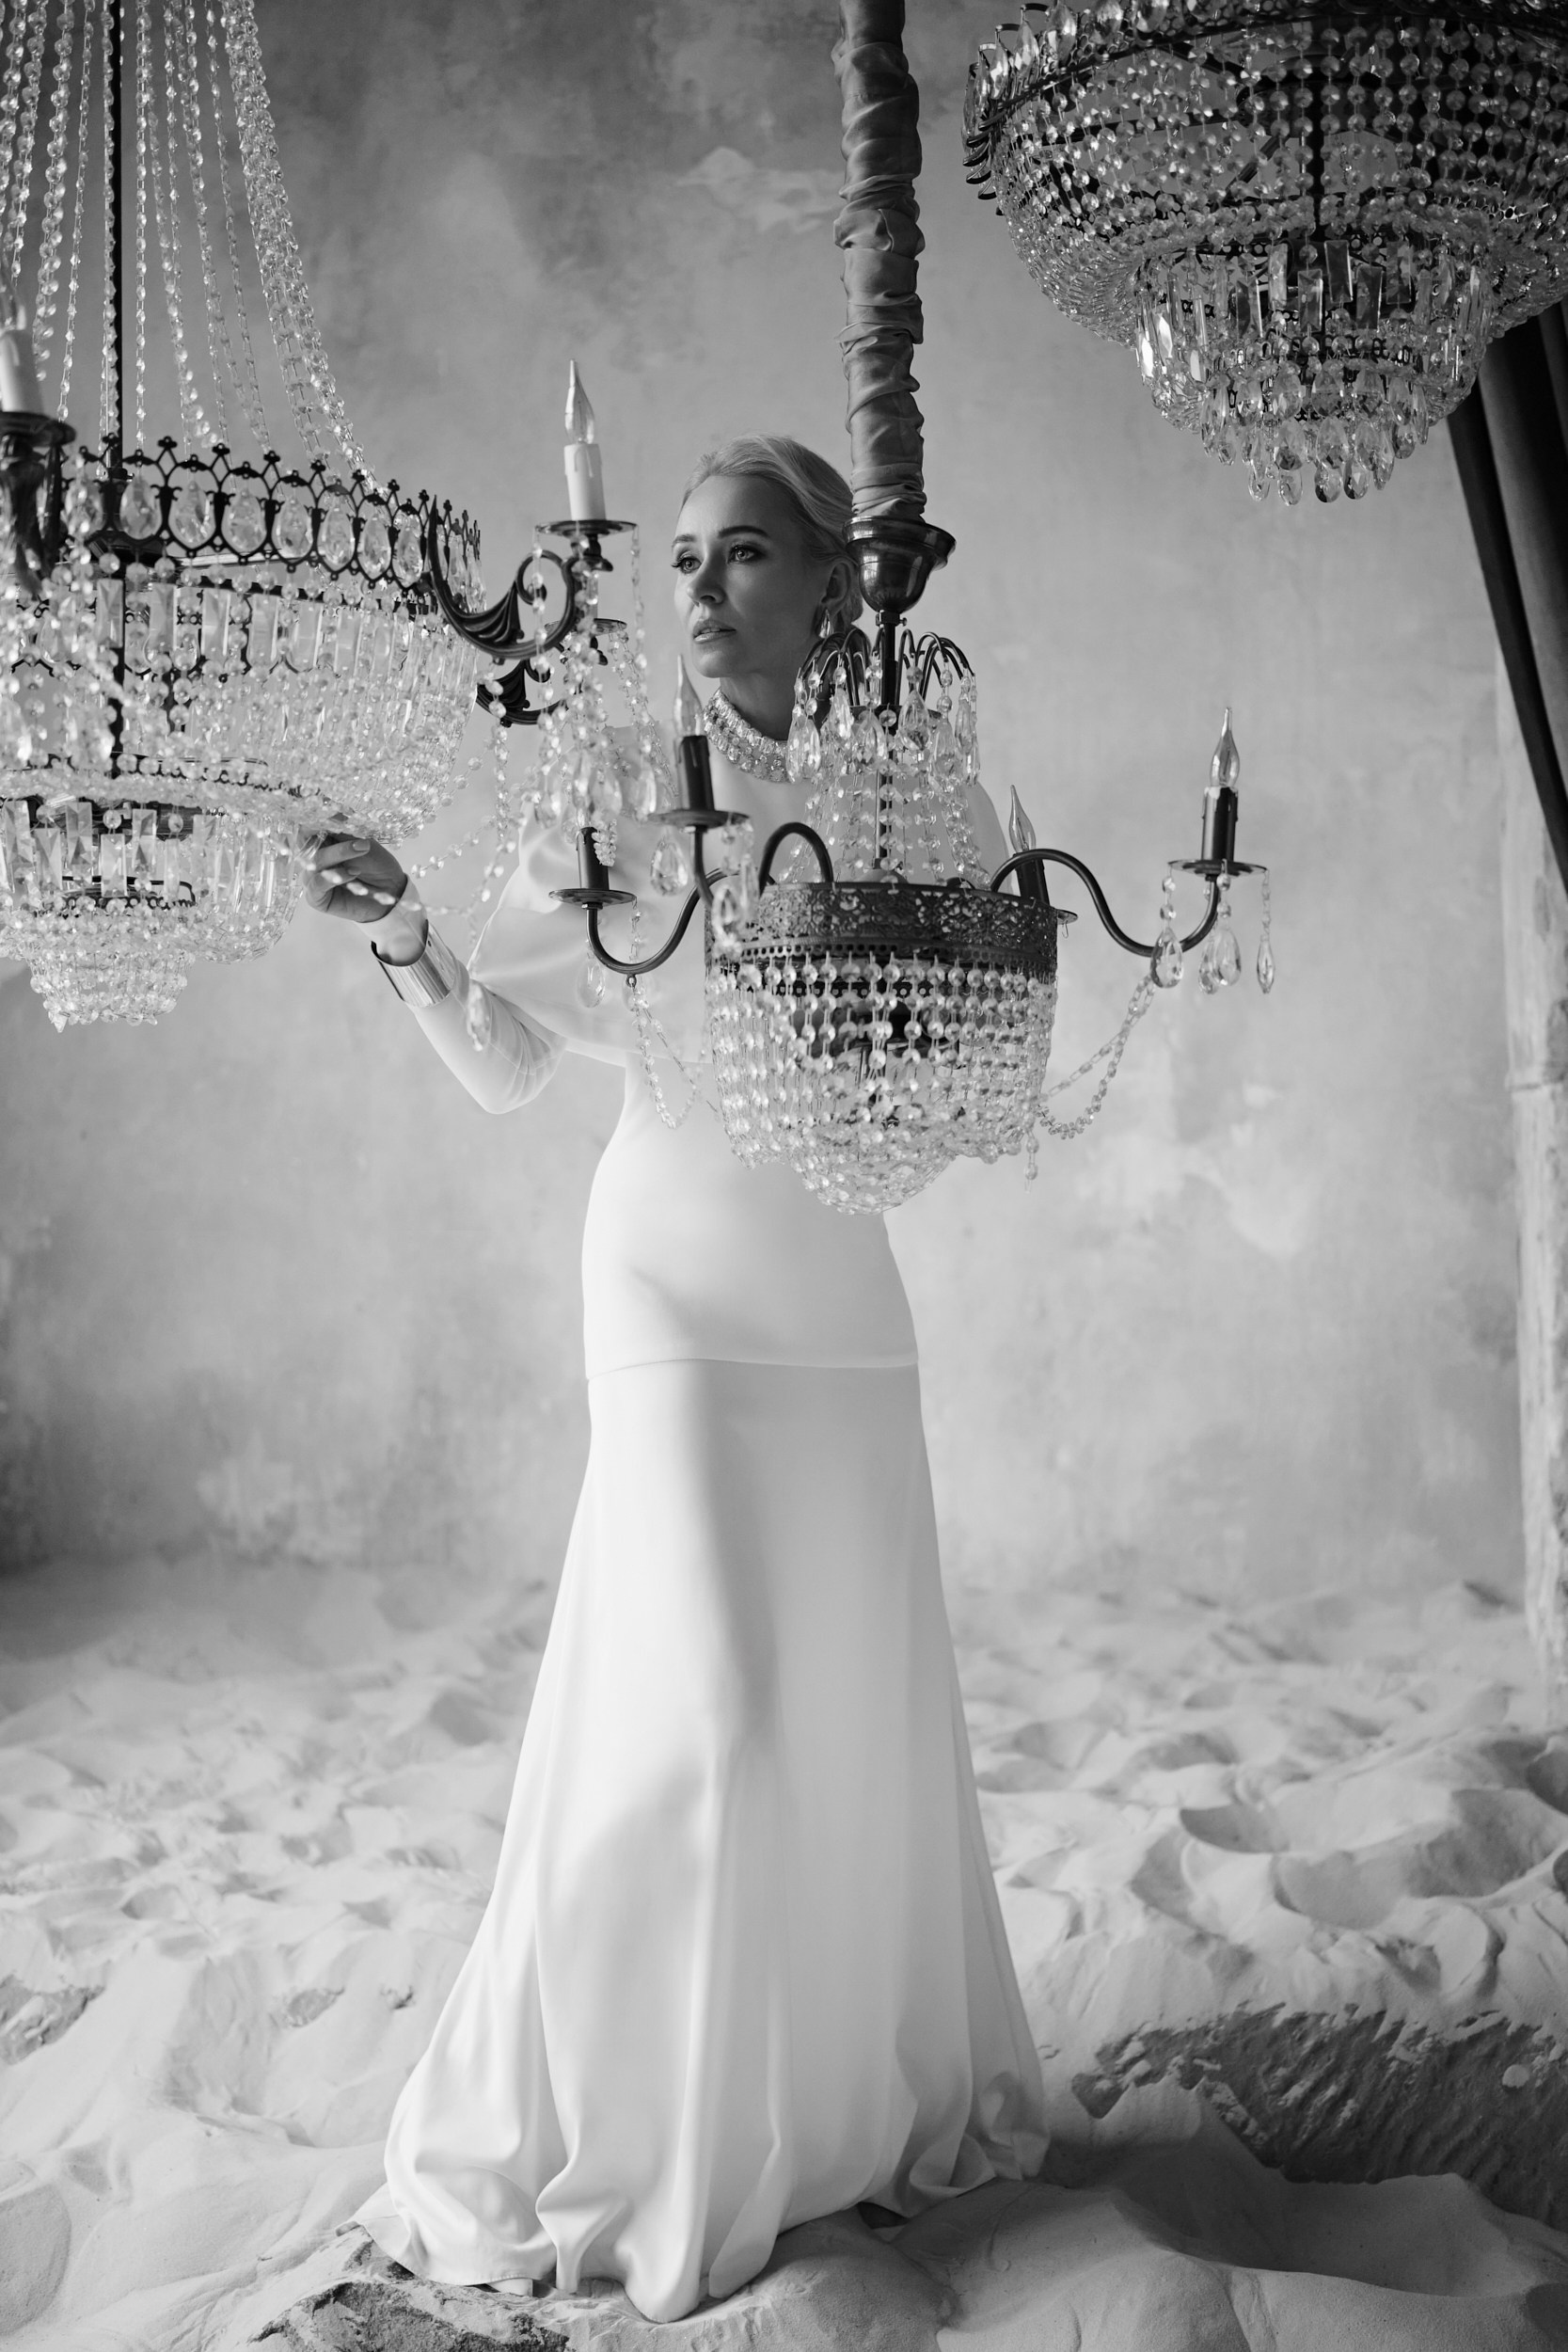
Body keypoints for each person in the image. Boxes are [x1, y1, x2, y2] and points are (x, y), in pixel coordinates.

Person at [308, 436, 1048, 2325]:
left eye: (746, 556)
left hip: (840, 1295)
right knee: (716, 1710)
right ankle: (657, 2130)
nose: (703, 591)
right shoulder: (623, 784)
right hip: (668, 1280)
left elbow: (972, 1072)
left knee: (844, 1713)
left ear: (835, 584)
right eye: (688, 561)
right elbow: (506, 1059)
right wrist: (403, 932)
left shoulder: (915, 793)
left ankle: (823, 2116)